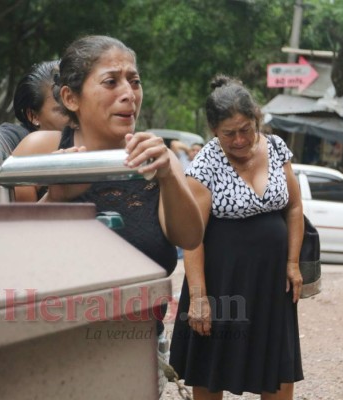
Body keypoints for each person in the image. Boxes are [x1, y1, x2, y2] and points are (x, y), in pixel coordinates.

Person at [11, 35, 203, 282]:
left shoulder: (156, 159)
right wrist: (55, 198)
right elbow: (0, 249)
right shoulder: (39, 150)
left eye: (134, 82)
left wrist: (169, 178)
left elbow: (189, 238)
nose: (129, 94)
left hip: (141, 318)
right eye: (111, 82)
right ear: (71, 98)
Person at [169, 75, 304, 399]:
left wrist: (293, 263)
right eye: (229, 134)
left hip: (271, 282)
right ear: (214, 130)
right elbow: (192, 237)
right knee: (211, 366)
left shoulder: (275, 148)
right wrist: (199, 298)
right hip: (220, 282)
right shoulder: (205, 164)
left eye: (246, 129)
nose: (240, 140)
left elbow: (295, 208)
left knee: (276, 363)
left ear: (256, 119)